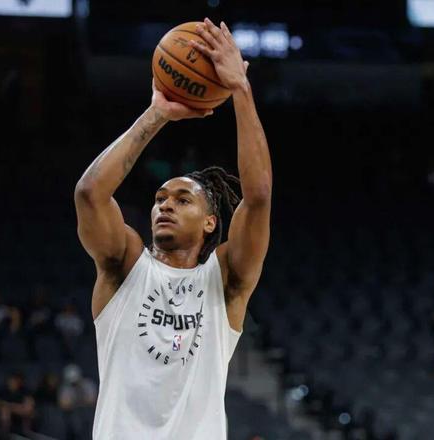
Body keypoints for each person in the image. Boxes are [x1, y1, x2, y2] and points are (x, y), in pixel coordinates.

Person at [74, 18, 272, 439]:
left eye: (183, 200)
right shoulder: (125, 267)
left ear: (210, 221)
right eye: (160, 198)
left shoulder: (226, 281)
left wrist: (241, 88)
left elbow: (258, 197)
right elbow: (90, 194)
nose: (165, 205)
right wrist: (157, 113)